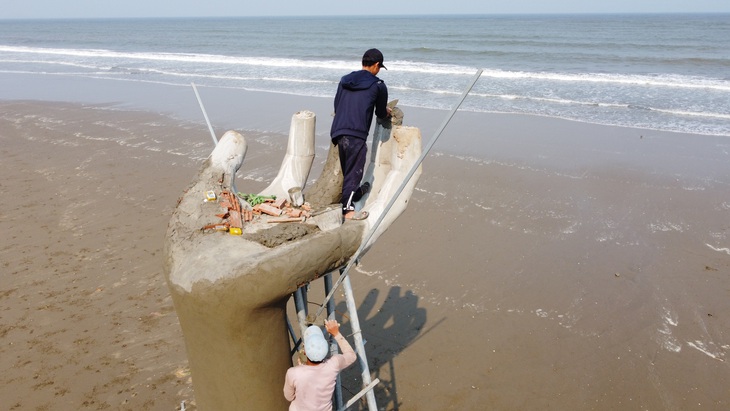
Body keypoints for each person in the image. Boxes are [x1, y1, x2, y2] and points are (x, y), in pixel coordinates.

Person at [330, 48, 391, 220]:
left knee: (348, 170)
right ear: (377, 65)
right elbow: (380, 113)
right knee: (354, 172)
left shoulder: (345, 80)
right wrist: (386, 111)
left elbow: (337, 105)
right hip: (356, 134)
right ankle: (348, 211)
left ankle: (353, 194)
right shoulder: (378, 85)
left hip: (338, 131)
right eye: (379, 67)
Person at [283, 319, 357, 411]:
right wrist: (336, 333)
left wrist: (301, 368)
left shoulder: (293, 373)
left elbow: (289, 397)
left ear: (305, 351)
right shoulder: (334, 364)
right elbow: (352, 356)